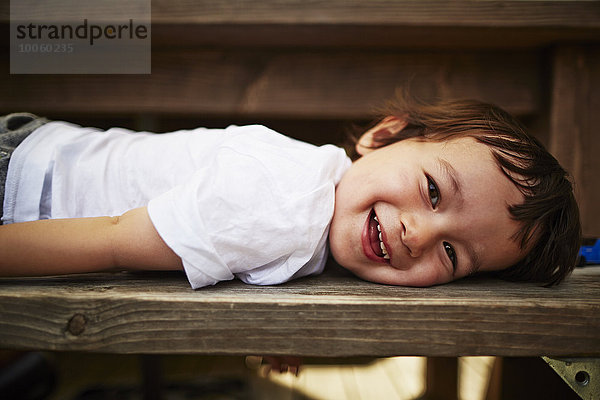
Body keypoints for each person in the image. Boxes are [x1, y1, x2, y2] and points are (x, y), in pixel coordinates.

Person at [0, 94, 581, 288]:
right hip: (24, 191)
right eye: (432, 191)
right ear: (384, 136)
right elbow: (109, 239)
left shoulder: (319, 205)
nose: (419, 234)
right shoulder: (285, 199)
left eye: (453, 255)